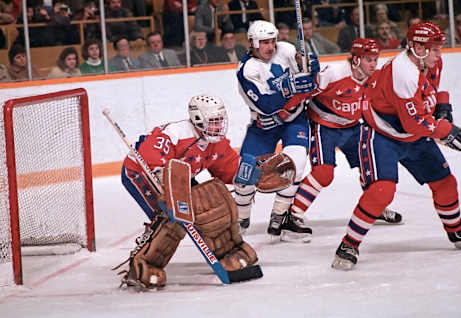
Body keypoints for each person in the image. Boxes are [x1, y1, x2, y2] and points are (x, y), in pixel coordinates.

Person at [331, 22, 461, 270]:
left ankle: (456, 231)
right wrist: (449, 131)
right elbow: (414, 123)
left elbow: (432, 90)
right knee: (382, 190)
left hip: (411, 133)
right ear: (417, 47)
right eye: (433, 49)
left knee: (445, 182)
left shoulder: (431, 61)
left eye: (438, 48)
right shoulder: (404, 72)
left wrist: (443, 106)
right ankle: (349, 243)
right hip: (382, 133)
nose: (438, 54)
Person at [118, 94, 284, 289]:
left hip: (178, 176)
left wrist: (255, 175)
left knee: (213, 202)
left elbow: (229, 168)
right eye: (213, 121)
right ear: (198, 119)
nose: (218, 126)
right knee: (171, 218)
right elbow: (151, 160)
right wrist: (171, 192)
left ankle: (229, 252)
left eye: (220, 121)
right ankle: (142, 266)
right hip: (141, 173)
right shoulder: (175, 134)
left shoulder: (215, 141)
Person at [289, 38, 403, 237]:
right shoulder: (334, 73)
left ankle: (375, 207)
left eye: (375, 59)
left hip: (352, 127)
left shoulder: (374, 78)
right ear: (356, 60)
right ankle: (293, 215)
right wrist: (306, 77)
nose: (373, 64)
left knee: (373, 165)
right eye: (369, 59)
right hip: (324, 126)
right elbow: (305, 92)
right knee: (324, 173)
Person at [234, 20, 318, 241]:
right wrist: (291, 87)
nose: (270, 47)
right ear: (252, 43)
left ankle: (281, 218)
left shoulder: (288, 50)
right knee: (245, 174)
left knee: (297, 163)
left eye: (272, 41)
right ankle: (240, 220)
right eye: (264, 43)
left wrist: (310, 66)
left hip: (294, 119)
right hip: (265, 124)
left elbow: (309, 76)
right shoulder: (246, 70)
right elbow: (267, 105)